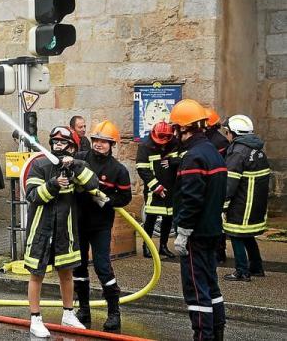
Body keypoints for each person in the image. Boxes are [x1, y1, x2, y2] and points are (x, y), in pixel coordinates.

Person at [25, 126, 100, 337]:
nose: (58, 146)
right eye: (55, 142)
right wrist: (54, 184)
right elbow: (33, 196)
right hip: (41, 229)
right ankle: (35, 319)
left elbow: (93, 184)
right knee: (36, 274)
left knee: (67, 274)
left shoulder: (78, 166)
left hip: (65, 230)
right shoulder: (39, 164)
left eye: (63, 143)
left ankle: (68, 314)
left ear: (72, 147)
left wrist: (74, 166)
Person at [170, 99, 226, 341]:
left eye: (175, 127)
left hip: (196, 235)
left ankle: (203, 335)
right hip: (212, 230)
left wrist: (183, 231)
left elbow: (192, 199)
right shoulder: (212, 152)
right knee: (212, 287)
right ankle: (217, 332)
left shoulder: (193, 157)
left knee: (196, 289)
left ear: (183, 128)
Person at [73, 120, 131, 332]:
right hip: (79, 222)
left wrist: (107, 200)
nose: (99, 144)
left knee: (102, 266)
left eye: (104, 142)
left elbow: (125, 197)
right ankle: (84, 309)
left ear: (111, 144)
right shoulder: (81, 158)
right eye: (96, 140)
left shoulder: (118, 170)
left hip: (100, 225)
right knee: (78, 266)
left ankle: (114, 313)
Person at [222, 115, 271, 282]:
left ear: (234, 133)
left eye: (227, 132)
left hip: (241, 204)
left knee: (236, 236)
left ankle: (242, 271)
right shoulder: (257, 151)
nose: (226, 135)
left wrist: (223, 204)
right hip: (255, 204)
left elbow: (230, 184)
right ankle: (257, 267)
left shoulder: (237, 152)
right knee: (248, 235)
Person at [136, 121, 179, 259]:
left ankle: (163, 247)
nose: (163, 143)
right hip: (153, 190)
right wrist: (156, 187)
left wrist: (173, 161)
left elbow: (185, 157)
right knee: (150, 219)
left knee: (168, 218)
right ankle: (146, 247)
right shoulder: (145, 146)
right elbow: (142, 169)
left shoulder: (175, 143)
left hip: (171, 188)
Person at [205, 107, 230, 263]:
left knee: (216, 220)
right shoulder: (219, 139)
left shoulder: (216, 141)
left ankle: (218, 252)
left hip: (214, 185)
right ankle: (218, 252)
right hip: (218, 183)